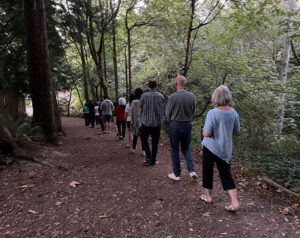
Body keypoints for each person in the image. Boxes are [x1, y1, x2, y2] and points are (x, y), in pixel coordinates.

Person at [201, 85, 240, 212]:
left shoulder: (212, 113)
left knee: (208, 171)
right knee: (226, 174)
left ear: (215, 97)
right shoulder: (234, 113)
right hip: (225, 149)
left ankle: (208, 197)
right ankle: (234, 202)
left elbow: (206, 133)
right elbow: (236, 132)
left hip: (210, 147)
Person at [165, 75, 198, 181]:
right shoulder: (192, 96)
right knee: (186, 148)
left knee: (174, 148)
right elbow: (193, 111)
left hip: (175, 124)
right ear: (184, 84)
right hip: (187, 124)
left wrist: (170, 119)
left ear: (176, 84)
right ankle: (192, 171)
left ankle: (177, 174)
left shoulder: (172, 97)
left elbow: (167, 113)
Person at [140, 79, 165, 166]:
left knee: (143, 139)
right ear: (156, 86)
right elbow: (162, 110)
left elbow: (140, 110)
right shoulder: (161, 96)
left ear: (148, 86)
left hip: (145, 123)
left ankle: (148, 157)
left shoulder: (143, 96)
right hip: (156, 124)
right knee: (155, 141)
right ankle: (153, 159)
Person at [131, 88, 145, 156]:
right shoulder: (144, 101)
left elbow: (132, 112)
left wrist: (132, 122)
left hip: (136, 121)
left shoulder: (133, 102)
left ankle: (133, 148)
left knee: (135, 135)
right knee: (143, 136)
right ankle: (143, 151)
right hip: (143, 121)